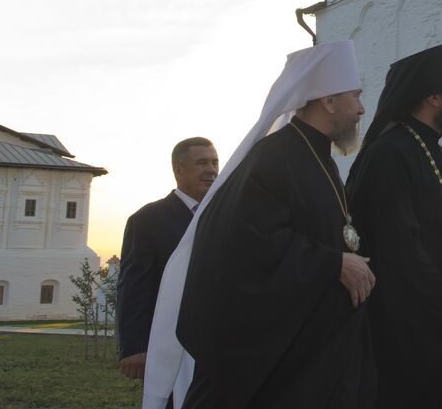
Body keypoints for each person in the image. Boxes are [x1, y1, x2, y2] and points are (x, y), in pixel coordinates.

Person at [141, 41, 369, 409]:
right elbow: (243, 245)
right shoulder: (272, 158)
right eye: (355, 96)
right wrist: (334, 264)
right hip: (274, 371)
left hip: (317, 357)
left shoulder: (321, 160)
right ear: (328, 100)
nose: (360, 108)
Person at [346, 43, 442, 408]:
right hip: (406, 343)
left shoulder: (436, 153)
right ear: (432, 97)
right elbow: (401, 254)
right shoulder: (388, 155)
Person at [117, 137, 220, 382]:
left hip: (218, 344)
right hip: (170, 343)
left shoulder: (225, 213)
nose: (211, 170)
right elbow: (134, 286)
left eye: (215, 162)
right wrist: (134, 347)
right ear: (179, 169)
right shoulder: (147, 220)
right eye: (202, 163)